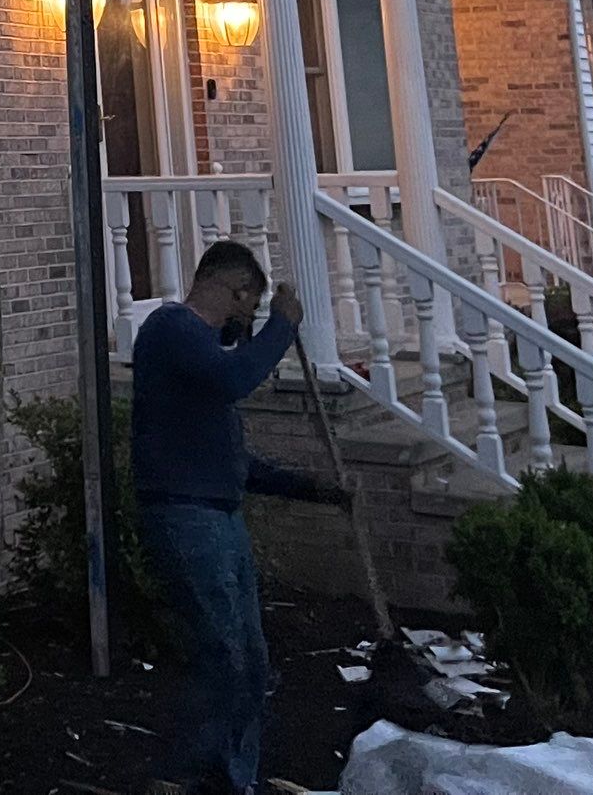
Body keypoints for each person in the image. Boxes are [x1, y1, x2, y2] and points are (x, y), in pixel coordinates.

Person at [129, 239, 339, 795]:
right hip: (184, 517)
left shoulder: (202, 363)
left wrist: (316, 488)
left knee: (249, 659)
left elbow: (235, 463)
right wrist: (282, 326)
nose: (245, 323)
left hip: (220, 519)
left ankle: (229, 779)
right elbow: (236, 378)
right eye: (249, 308)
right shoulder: (170, 329)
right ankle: (186, 777)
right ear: (238, 290)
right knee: (222, 653)